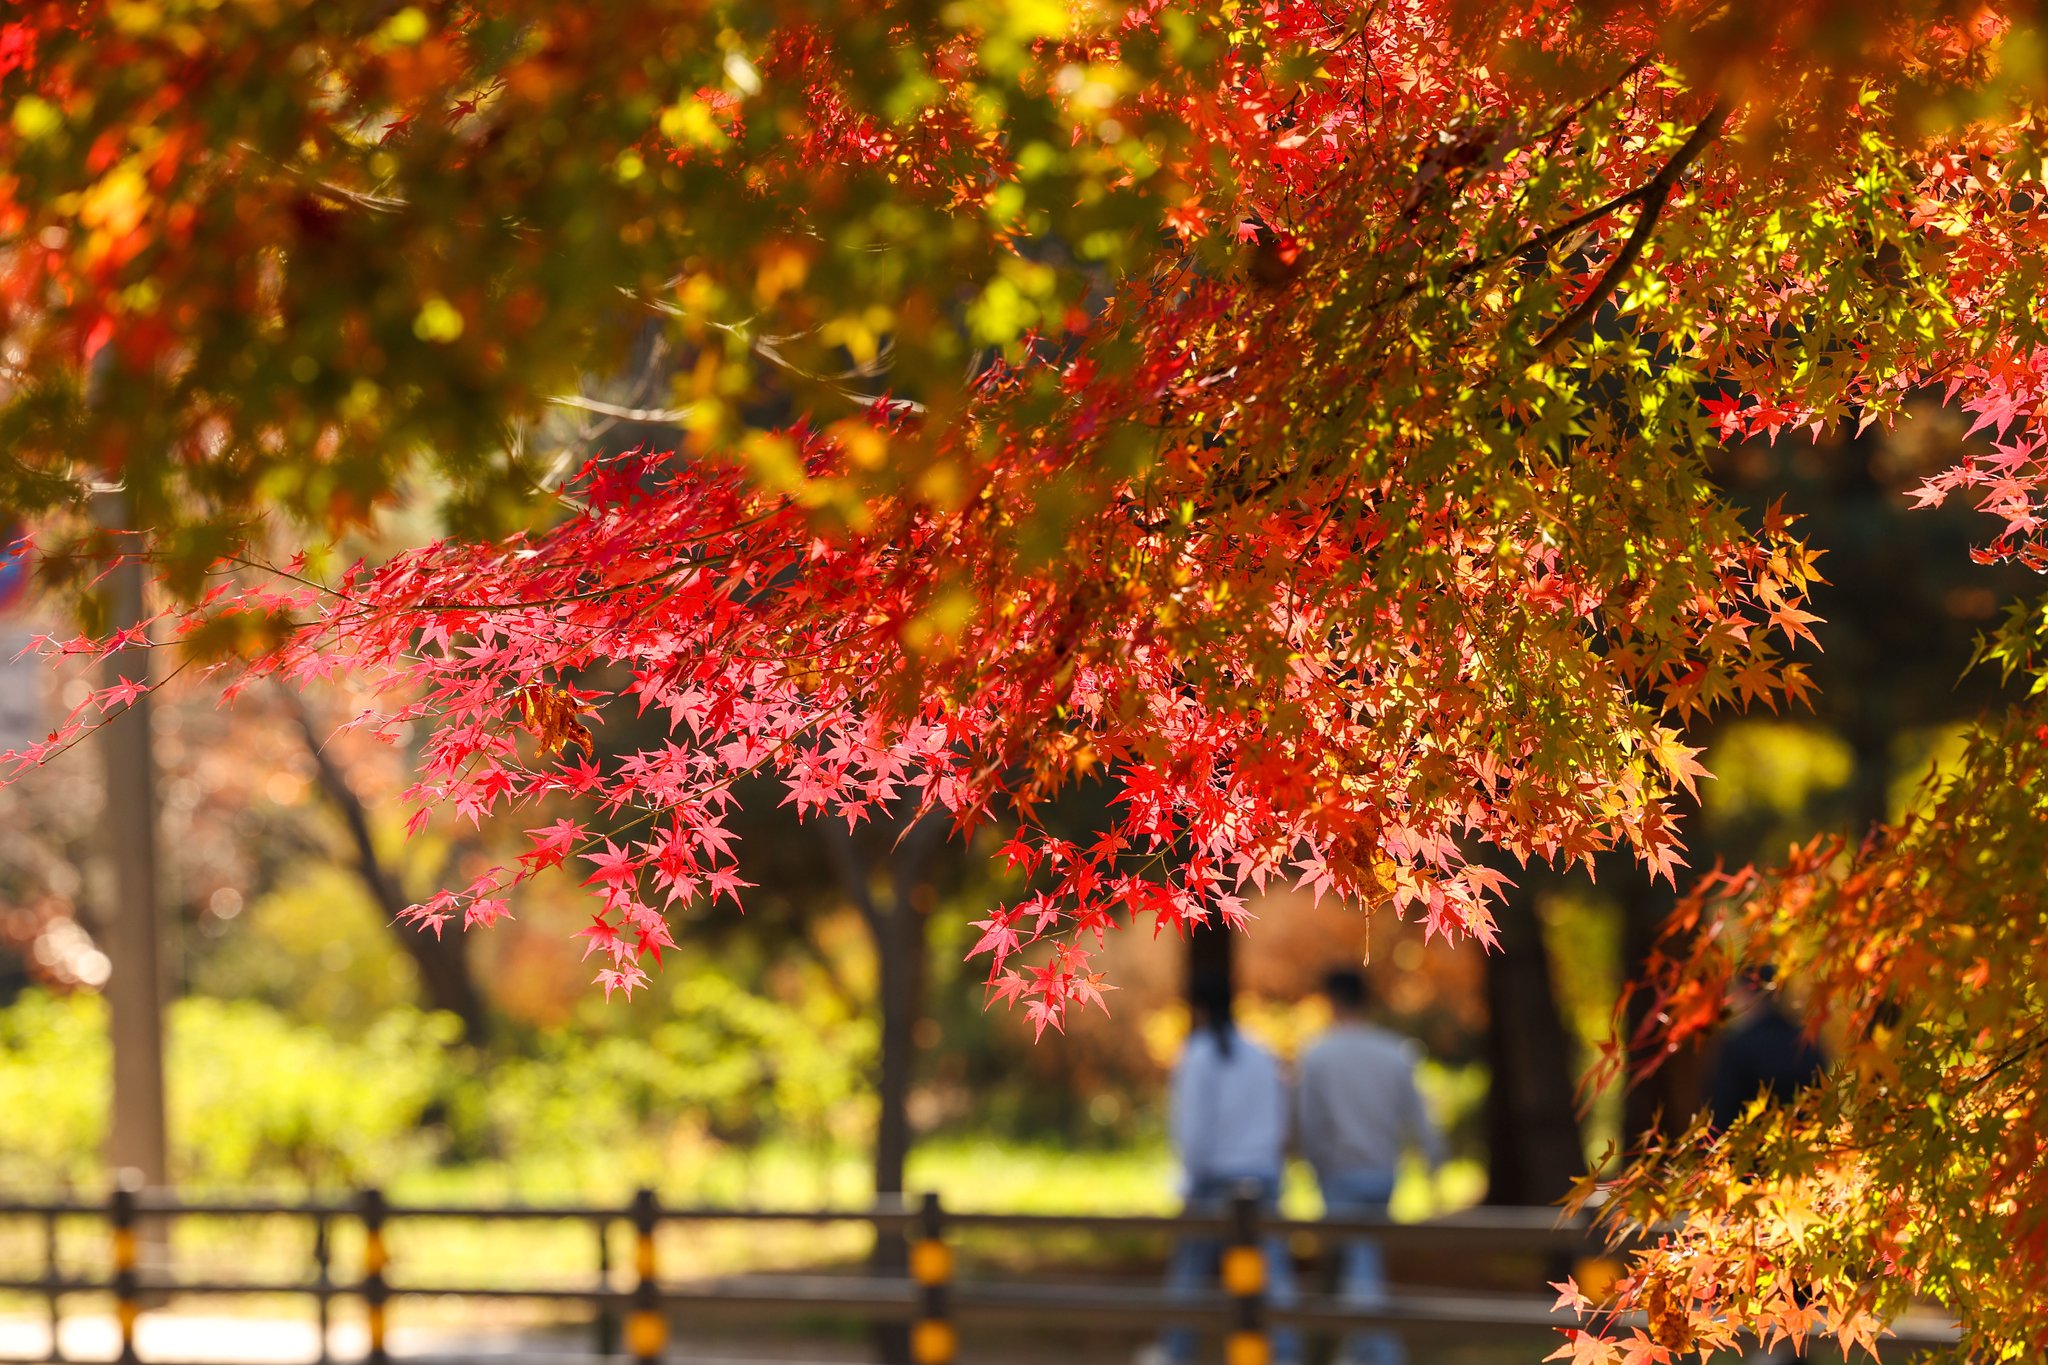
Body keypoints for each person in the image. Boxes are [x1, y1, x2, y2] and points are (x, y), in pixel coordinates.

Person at [1296, 968, 1445, 1365]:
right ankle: (1362, 1349)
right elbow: (1418, 1113)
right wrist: (1433, 1160)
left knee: (1356, 1263)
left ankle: (1378, 1352)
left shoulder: (1318, 1054)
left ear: (1332, 1001)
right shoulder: (1394, 1051)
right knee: (1362, 1257)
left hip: (1339, 1171)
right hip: (1382, 1171)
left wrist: (1312, 1162)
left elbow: (1309, 1120)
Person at [1152, 972, 1301, 1365]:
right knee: (1273, 1272)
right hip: (1262, 1176)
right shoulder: (1261, 1051)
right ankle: (1284, 1352)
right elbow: (1281, 1118)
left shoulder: (1198, 1054)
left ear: (1196, 1009)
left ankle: (1175, 1351)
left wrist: (1190, 1177)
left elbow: (1192, 1129)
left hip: (1213, 1179)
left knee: (1189, 1273)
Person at [1708, 964, 1827, 1132]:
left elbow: (1723, 1108)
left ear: (1745, 993)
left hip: (1752, 1150)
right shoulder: (1806, 1040)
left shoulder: (1740, 1047)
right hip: (1805, 1145)